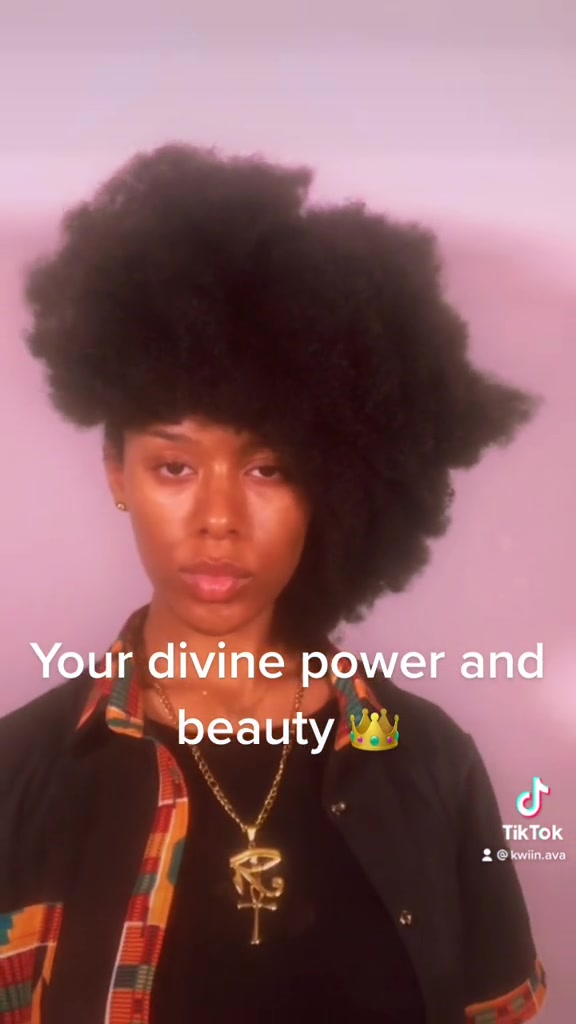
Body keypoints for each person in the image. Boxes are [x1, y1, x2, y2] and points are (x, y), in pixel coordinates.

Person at [0, 143, 547, 1024]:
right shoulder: (15, 776)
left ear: (335, 481)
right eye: (175, 467)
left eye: (268, 469)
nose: (218, 518)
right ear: (116, 472)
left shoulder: (432, 762)